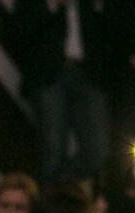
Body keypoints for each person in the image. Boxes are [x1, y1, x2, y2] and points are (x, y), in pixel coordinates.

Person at [11, 0, 113, 182]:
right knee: (53, 149)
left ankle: (59, 189)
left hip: (88, 73)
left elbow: (109, 28)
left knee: (97, 153)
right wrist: (52, 4)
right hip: (50, 75)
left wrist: (99, 5)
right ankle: (54, 195)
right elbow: (21, 26)